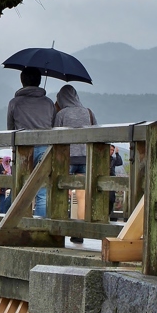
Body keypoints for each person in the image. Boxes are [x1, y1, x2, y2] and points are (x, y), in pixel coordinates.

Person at [7, 67, 56, 216]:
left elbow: (10, 129)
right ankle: (40, 226)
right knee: (42, 190)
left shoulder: (15, 103)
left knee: (20, 188)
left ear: (22, 81)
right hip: (45, 149)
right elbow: (53, 126)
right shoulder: (48, 103)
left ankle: (17, 222)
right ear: (39, 81)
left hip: (23, 149)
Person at [54, 84, 96, 242]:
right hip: (85, 157)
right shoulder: (88, 112)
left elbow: (54, 135)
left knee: (61, 193)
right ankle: (79, 233)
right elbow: (97, 131)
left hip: (67, 158)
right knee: (82, 196)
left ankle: (60, 230)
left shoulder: (62, 113)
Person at [110, 145, 124, 220]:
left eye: (113, 150)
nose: (111, 152)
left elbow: (120, 162)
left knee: (112, 199)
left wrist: (117, 153)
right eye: (110, 150)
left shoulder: (113, 159)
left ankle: (112, 215)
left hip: (112, 181)